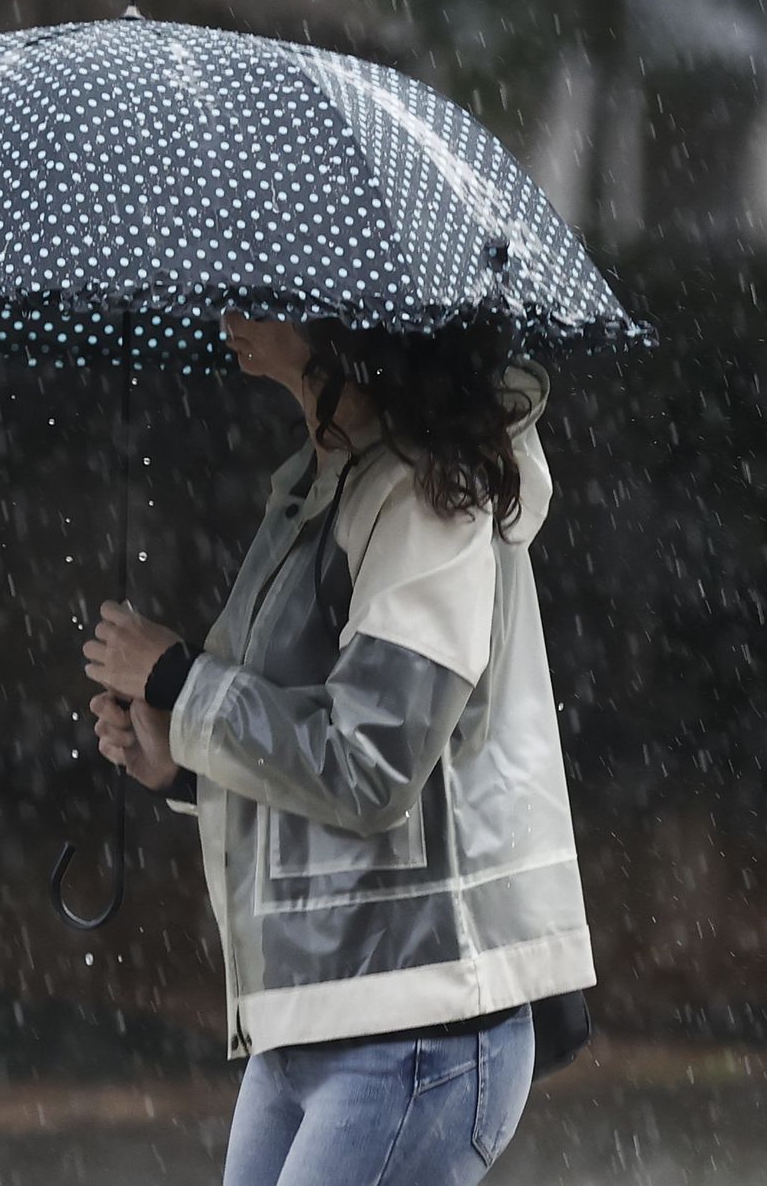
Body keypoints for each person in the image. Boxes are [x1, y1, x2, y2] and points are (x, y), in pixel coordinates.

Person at [82, 308, 596, 1186]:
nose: (227, 312)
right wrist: (182, 761)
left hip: (420, 1022)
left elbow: (373, 764)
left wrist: (180, 681)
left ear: (345, 320)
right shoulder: (322, 485)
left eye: (260, 291)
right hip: (315, 1012)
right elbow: (313, 743)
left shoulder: (430, 496)